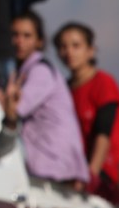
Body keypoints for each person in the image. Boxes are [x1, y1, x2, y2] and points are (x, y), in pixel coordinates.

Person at [8, 11, 88, 187]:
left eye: (27, 36)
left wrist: (1, 100)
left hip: (54, 162)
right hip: (50, 161)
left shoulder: (40, 71)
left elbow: (16, 109)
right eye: (15, 35)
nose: (20, 41)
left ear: (39, 41)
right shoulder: (24, 71)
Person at [53, 22, 119, 205]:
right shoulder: (64, 89)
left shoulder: (103, 83)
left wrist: (91, 175)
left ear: (91, 50)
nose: (69, 52)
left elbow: (104, 135)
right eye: (63, 46)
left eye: (76, 45)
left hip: (103, 175)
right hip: (74, 173)